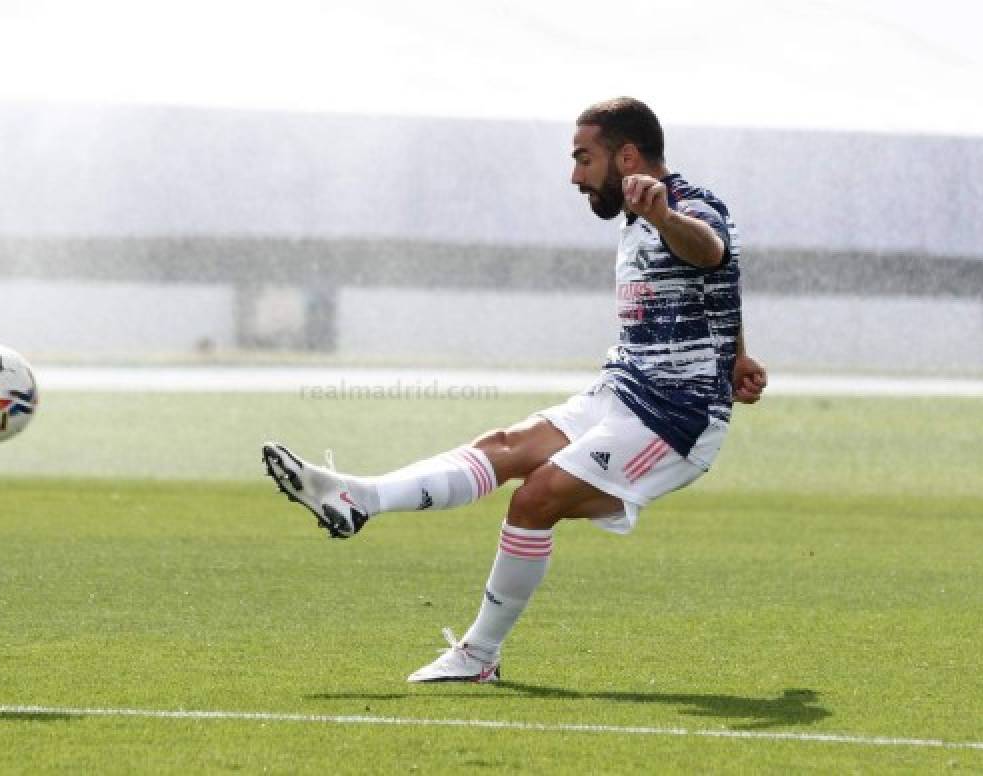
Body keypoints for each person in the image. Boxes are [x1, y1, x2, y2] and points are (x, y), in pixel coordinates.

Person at [262, 96, 768, 683]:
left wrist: (665, 220)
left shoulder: (686, 205)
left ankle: (479, 656)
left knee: (535, 499)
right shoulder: (639, 221)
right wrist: (736, 354)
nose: (575, 175)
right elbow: (721, 282)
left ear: (627, 155)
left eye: (585, 158)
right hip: (622, 391)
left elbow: (709, 249)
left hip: (676, 421)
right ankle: (359, 498)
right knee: (507, 445)